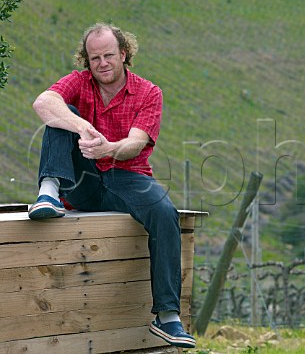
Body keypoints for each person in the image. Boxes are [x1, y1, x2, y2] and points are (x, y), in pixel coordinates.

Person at [28, 22, 195, 349]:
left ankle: (168, 317)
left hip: (128, 175)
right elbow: (42, 103)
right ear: (86, 61)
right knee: (61, 112)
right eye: (94, 58)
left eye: (108, 55)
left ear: (123, 54)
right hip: (83, 180)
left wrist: (109, 148)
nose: (102, 63)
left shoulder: (149, 92)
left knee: (165, 212)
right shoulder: (79, 81)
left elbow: (136, 142)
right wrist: (81, 125)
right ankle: (48, 194)